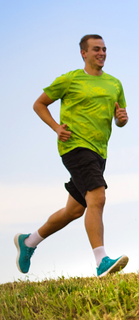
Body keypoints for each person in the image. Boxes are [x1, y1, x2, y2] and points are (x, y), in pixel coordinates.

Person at [14, 35, 130, 278]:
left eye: (105, 49)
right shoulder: (70, 79)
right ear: (83, 53)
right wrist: (56, 127)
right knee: (97, 198)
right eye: (96, 49)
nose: (102, 53)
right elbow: (39, 104)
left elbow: (119, 119)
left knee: (75, 210)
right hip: (75, 147)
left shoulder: (115, 84)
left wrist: (121, 120)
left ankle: (28, 242)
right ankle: (101, 261)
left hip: (99, 151)